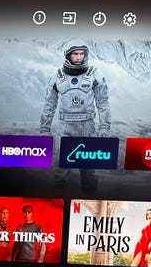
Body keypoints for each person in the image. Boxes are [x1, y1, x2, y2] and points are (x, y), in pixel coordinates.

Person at [39, 43, 110, 192]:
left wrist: (104, 126)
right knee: (61, 168)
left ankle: (89, 197)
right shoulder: (57, 76)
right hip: (64, 126)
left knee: (87, 169)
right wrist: (44, 129)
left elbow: (103, 102)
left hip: (87, 126)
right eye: (75, 54)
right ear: (68, 55)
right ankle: (59, 198)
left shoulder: (95, 74)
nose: (79, 57)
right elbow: (49, 105)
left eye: (81, 54)